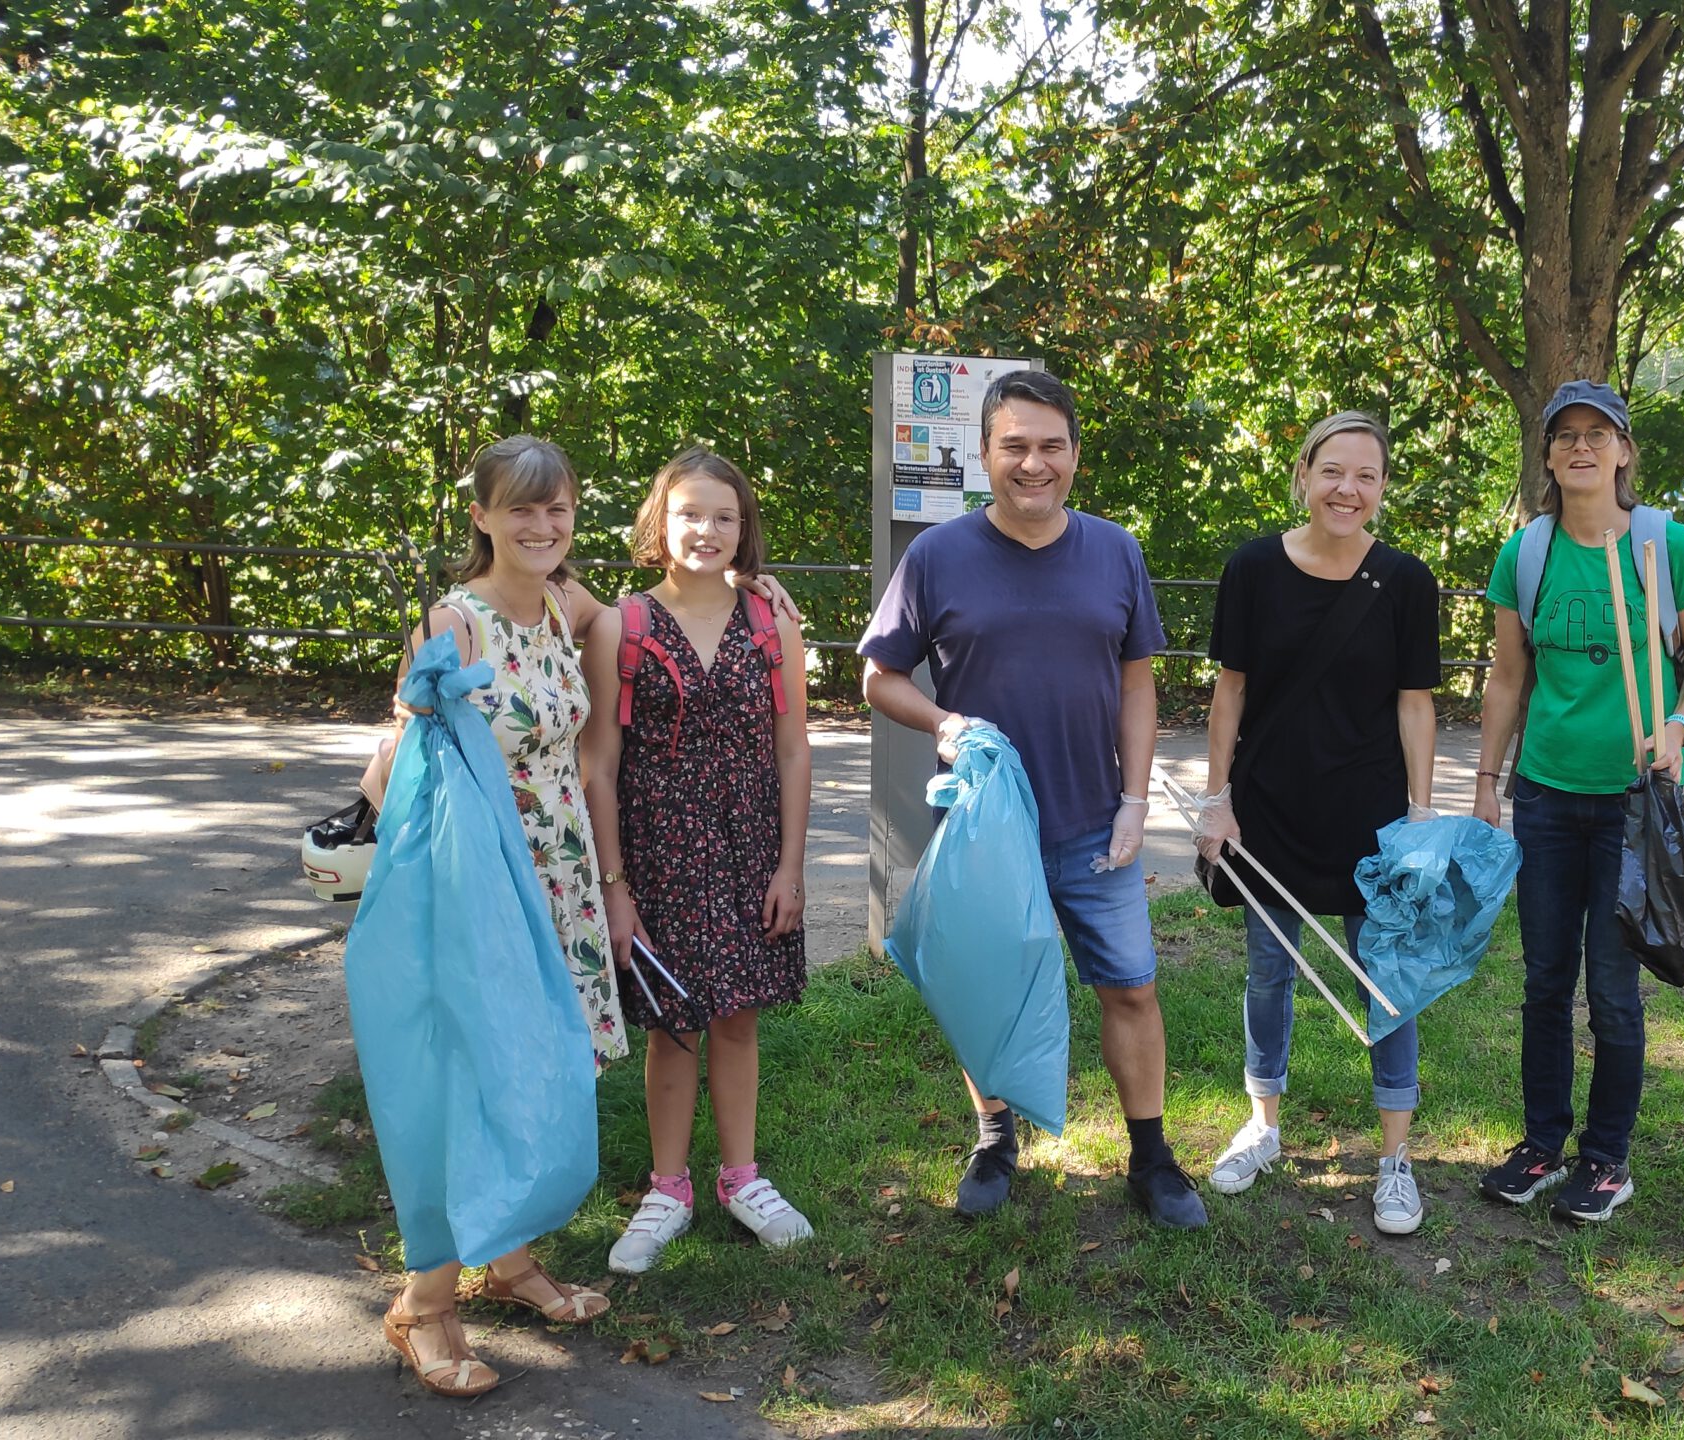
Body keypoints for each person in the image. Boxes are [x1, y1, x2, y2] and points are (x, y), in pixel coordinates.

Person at [354, 437, 803, 1396]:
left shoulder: (567, 603)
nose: (541, 526)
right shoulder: (456, 623)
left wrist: (764, 591)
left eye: (556, 509)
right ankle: (424, 1304)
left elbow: (669, 605)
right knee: (480, 1074)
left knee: (544, 1068)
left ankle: (509, 1260)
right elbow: (382, 774)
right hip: (484, 886)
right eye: (520, 509)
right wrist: (417, 717)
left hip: (558, 879)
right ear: (480, 517)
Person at [858, 368, 1206, 1229]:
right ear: (984, 454)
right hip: (986, 830)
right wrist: (943, 724)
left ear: (1076, 456)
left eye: (1051, 446)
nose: (1033, 463)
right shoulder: (935, 557)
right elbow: (878, 677)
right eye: (1014, 445)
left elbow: (1137, 685)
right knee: (990, 988)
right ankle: (994, 1136)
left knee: (1129, 989)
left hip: (1097, 823)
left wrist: (1135, 802)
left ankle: (1153, 1158)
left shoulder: (1116, 550)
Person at [1468, 380, 1684, 1225]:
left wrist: (1680, 727)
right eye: (1565, 435)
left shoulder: (1667, 544)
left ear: (1622, 451)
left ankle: (1606, 1159)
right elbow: (1509, 677)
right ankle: (1543, 1144)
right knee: (1545, 981)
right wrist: (1486, 783)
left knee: (1612, 990)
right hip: (1545, 796)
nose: (1581, 446)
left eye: (1598, 433)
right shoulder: (1527, 553)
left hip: (1632, 804)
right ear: (1546, 456)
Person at [1193, 411, 1442, 1234]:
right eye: (1334, 471)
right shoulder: (1254, 568)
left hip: (1370, 822)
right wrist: (1215, 798)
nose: (1348, 489)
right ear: (1303, 474)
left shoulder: (1405, 581)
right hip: (1269, 812)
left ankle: (1396, 1159)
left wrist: (1417, 817)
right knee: (1270, 974)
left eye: (1366, 476)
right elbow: (1230, 691)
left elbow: (1415, 705)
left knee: (1387, 986)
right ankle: (1262, 1127)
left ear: (1381, 489)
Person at [581, 446, 816, 1274]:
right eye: (689, 515)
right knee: (673, 1021)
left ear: (744, 526)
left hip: (751, 843)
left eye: (724, 516)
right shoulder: (624, 623)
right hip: (660, 848)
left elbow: (793, 751)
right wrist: (614, 886)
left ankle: (742, 1179)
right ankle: (667, 1188)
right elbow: (598, 765)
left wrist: (790, 866)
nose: (706, 531)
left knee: (738, 1014)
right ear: (660, 522)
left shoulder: (771, 619)